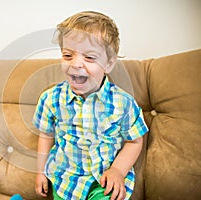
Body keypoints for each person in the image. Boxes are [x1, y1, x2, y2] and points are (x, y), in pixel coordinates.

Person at [33, 11, 148, 200]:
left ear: (109, 64)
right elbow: (46, 135)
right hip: (65, 181)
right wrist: (40, 172)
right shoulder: (51, 98)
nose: (76, 64)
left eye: (89, 57)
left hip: (105, 181)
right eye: (68, 55)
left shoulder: (123, 103)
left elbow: (134, 141)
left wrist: (118, 170)